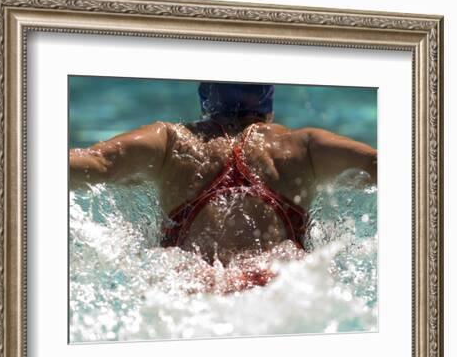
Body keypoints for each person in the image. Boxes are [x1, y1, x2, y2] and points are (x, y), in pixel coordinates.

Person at [69, 82, 377, 293]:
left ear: (206, 96)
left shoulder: (171, 142)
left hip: (197, 288)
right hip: (279, 289)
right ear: (269, 103)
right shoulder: (302, 146)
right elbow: (380, 166)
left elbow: (95, 164)